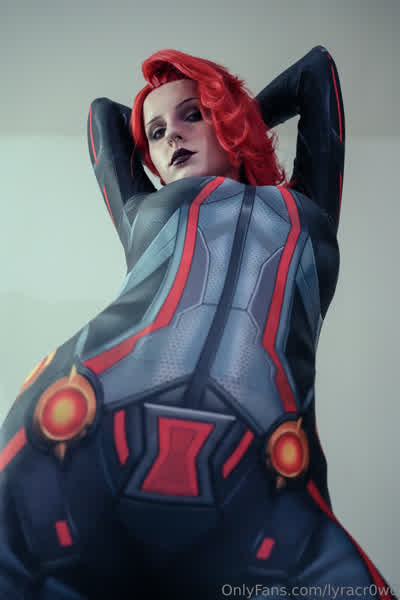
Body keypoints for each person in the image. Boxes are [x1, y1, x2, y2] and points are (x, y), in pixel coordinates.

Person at [0, 46, 394, 599]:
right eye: (156, 133)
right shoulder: (140, 212)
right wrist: (207, 116)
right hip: (81, 423)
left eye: (193, 114)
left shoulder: (311, 208)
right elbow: (103, 116)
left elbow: (316, 72)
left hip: (266, 462)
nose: (172, 137)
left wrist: (236, 114)